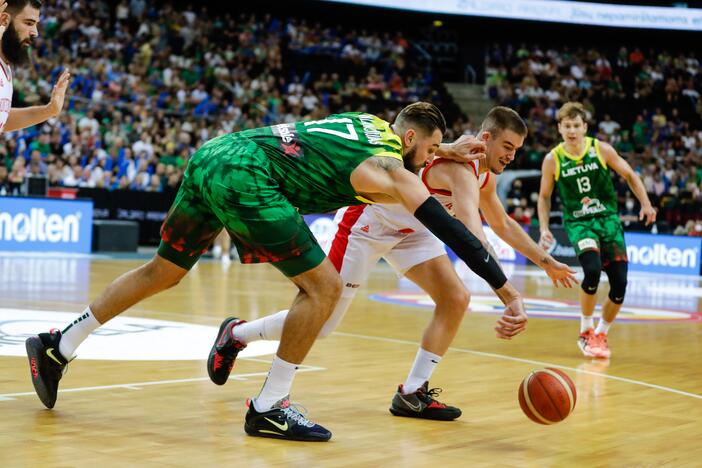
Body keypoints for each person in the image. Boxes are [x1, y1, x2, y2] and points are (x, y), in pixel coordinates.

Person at [26, 102, 528, 442]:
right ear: (412, 140)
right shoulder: (393, 171)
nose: (426, 164)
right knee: (323, 289)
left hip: (214, 156)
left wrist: (443, 150)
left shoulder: (371, 122)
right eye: (427, 152)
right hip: (251, 179)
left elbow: (402, 145)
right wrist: (505, 289)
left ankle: (60, 343)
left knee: (164, 270)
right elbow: (451, 227)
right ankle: (269, 406)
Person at [208, 106, 576, 421]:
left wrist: (547, 262)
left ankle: (412, 393)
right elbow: (471, 234)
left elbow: (503, 223)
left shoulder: (482, 174)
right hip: (367, 224)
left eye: (517, 149)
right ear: (486, 137)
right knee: (321, 324)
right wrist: (507, 292)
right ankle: (236, 334)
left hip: (411, 231)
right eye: (507, 146)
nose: (511, 156)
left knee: (455, 298)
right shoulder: (461, 169)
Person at [537, 102, 656, 359]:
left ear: (585, 127)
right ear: (559, 128)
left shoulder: (600, 149)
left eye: (576, 125)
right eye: (567, 126)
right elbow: (544, 197)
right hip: (580, 223)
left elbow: (630, 175)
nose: (572, 130)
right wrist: (544, 227)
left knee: (620, 284)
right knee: (591, 271)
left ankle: (601, 334)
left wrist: (646, 203)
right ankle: (585, 330)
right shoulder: (553, 159)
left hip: (609, 220)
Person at [0, 0, 71, 134]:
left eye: (36, 25)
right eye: (29, 23)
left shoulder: (5, 68)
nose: (35, 32)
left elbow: (4, 119)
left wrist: (50, 110)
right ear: (4, 20)